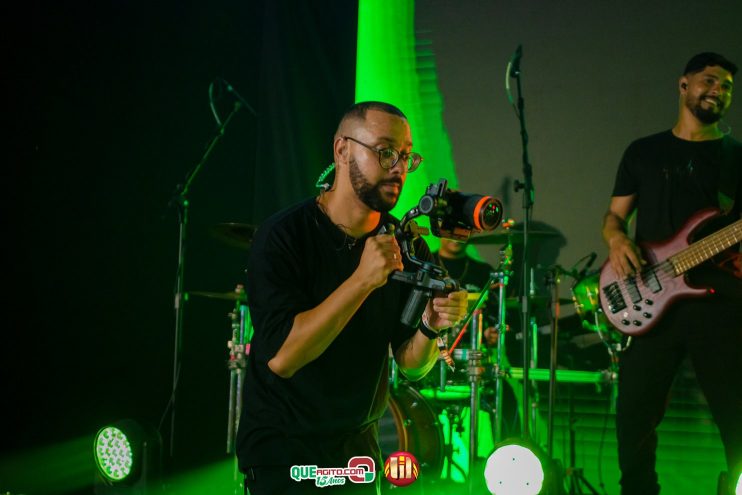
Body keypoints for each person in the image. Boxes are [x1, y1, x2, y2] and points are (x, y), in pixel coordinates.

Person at [236, 101, 468, 494]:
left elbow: (410, 365)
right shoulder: (283, 236)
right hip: (285, 454)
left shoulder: (406, 245)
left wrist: (431, 323)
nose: (398, 167)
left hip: (357, 455)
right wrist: (362, 280)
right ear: (342, 150)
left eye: (406, 157)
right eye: (386, 152)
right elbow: (283, 357)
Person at [602, 52, 742, 495]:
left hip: (719, 303)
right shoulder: (643, 151)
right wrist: (618, 241)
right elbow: (613, 217)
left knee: (735, 412)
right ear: (684, 86)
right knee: (634, 414)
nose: (718, 91)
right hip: (648, 294)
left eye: (726, 87)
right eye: (710, 81)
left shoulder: (736, 157)